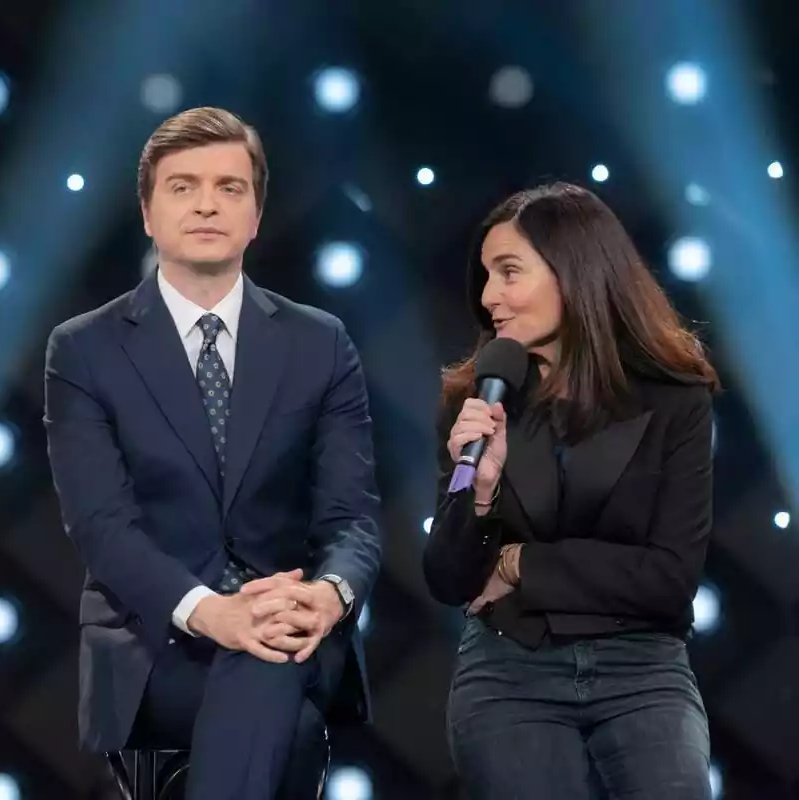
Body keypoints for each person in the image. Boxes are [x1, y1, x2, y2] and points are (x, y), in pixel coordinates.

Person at [43, 107, 382, 799]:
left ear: (257, 215)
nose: (206, 204)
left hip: (291, 627)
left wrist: (327, 594)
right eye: (183, 186)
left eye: (230, 188)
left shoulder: (321, 343)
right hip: (154, 642)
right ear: (147, 211)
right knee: (275, 712)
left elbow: (353, 519)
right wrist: (213, 612)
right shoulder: (83, 349)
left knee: (269, 658)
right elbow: (102, 528)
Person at [424, 182, 719, 799]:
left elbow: (668, 577)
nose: (488, 298)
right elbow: (450, 579)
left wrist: (517, 561)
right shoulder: (475, 401)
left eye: (509, 272)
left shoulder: (675, 401)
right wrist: (476, 494)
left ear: (574, 271)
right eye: (485, 276)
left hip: (642, 669)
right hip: (509, 671)